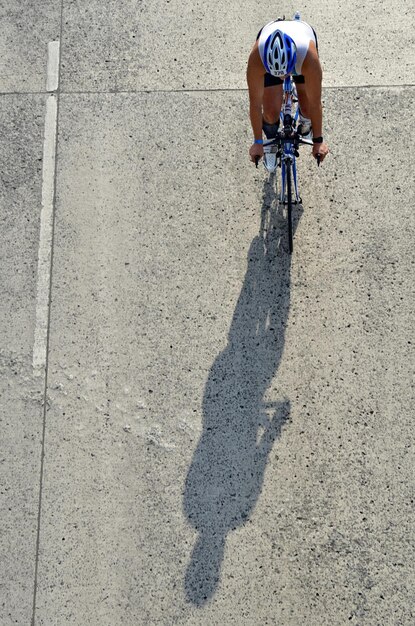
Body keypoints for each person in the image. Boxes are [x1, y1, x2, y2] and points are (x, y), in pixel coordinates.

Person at [246, 17, 330, 164]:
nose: (283, 77)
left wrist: (318, 140)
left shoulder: (309, 58)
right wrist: (258, 142)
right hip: (272, 54)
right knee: (270, 113)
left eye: (285, 73)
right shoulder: (257, 58)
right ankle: (271, 141)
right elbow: (255, 104)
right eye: (278, 75)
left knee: (308, 107)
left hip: (300, 54)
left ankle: (306, 122)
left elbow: (316, 103)